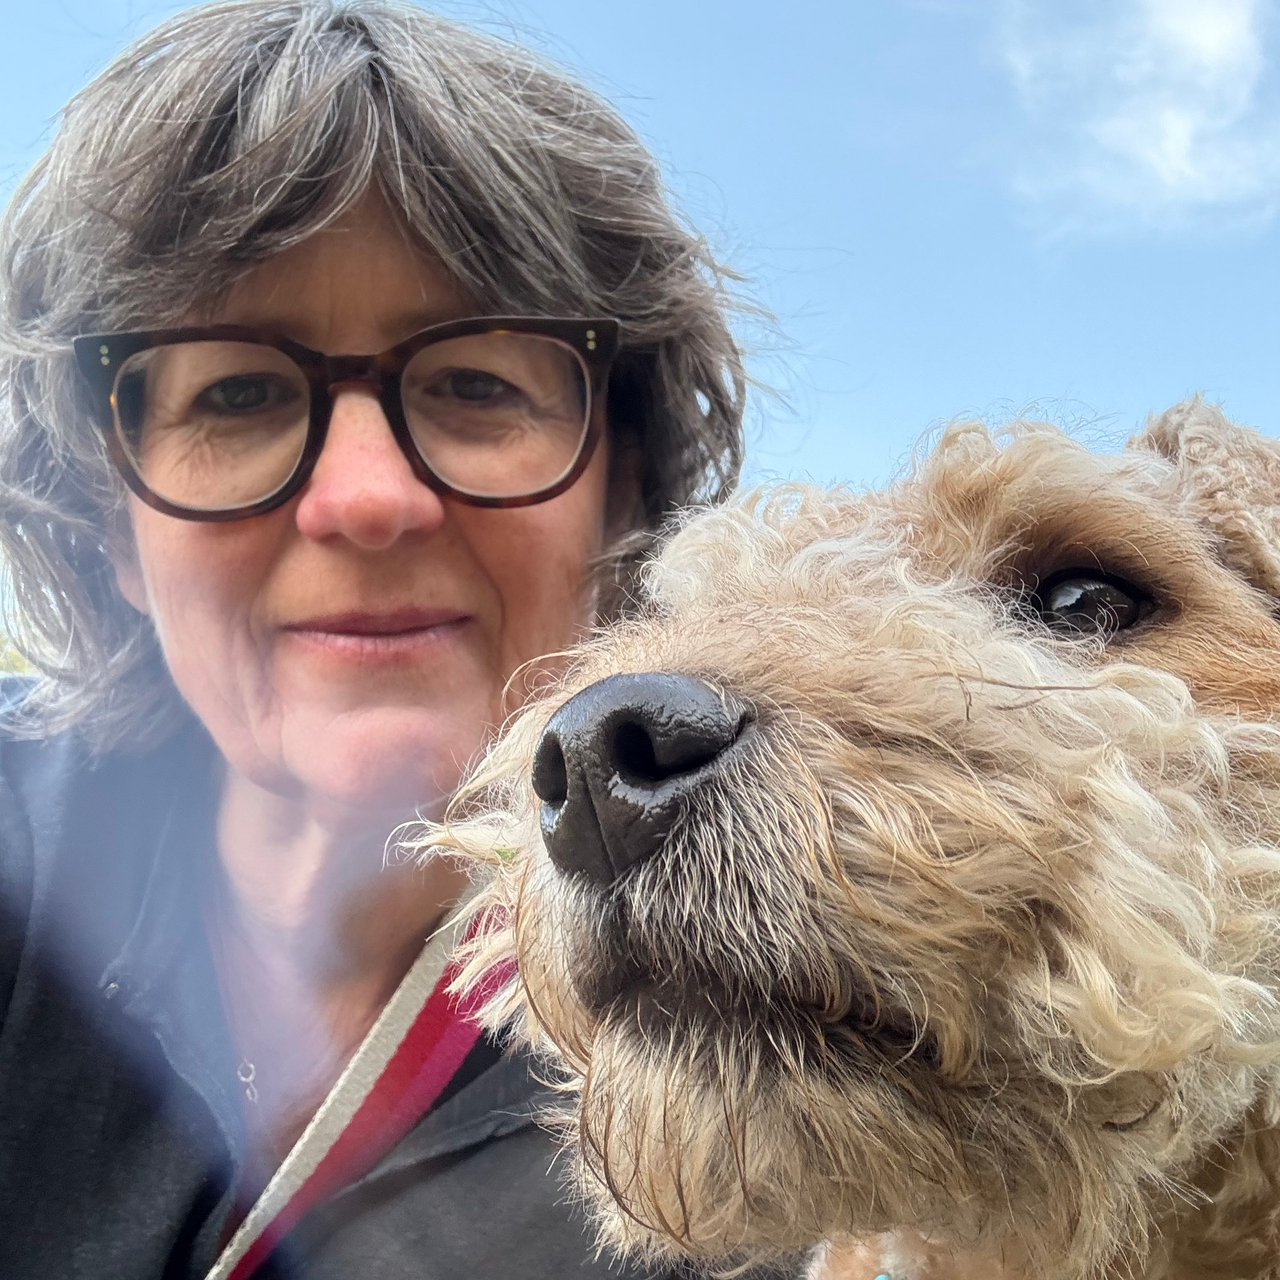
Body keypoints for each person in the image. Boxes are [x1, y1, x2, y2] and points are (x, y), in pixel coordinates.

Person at [0, 3, 756, 1276]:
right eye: (238, 391)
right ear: (109, 526)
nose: (365, 498)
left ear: (620, 494)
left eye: (474, 382)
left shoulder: (765, 1071)